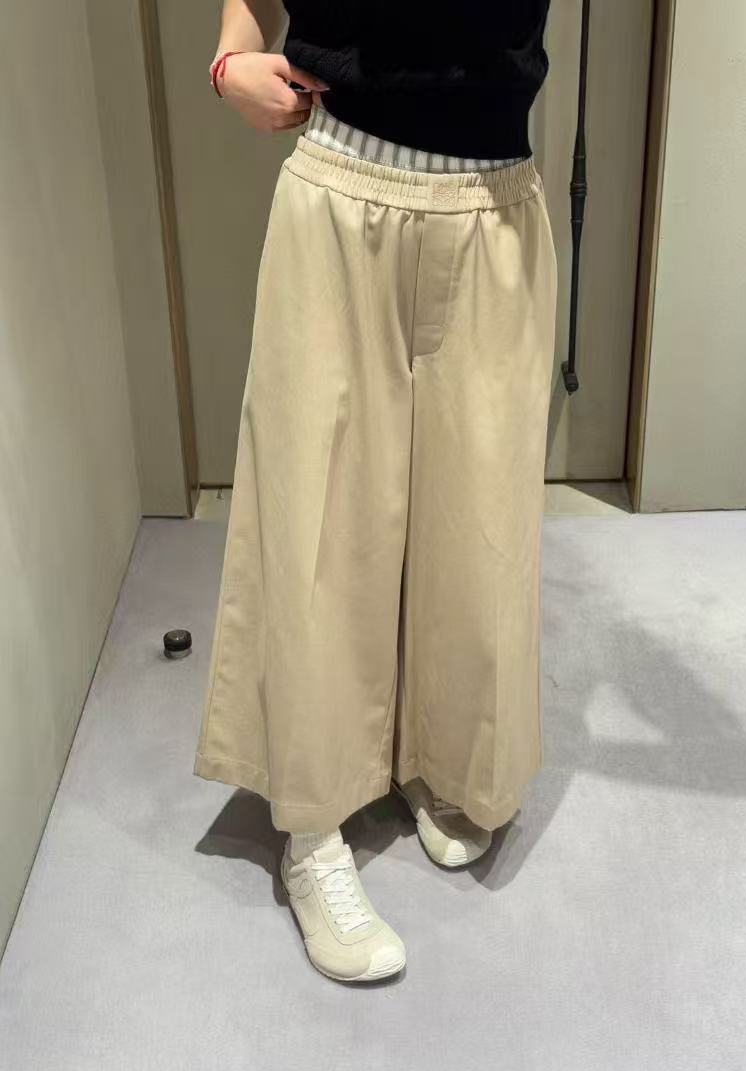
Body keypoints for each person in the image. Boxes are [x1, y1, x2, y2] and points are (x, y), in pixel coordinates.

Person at [195, 0, 557, 983]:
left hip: (494, 199)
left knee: (479, 519)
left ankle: (444, 755)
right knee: (317, 518)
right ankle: (310, 826)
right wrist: (230, 57)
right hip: (341, 182)